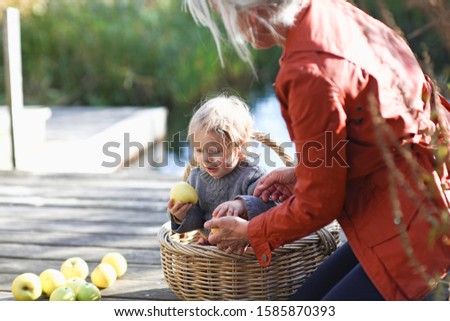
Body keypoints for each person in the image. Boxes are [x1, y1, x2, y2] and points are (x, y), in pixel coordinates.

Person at [183, 0, 450, 300]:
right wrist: (305, 172)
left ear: (252, 8)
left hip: (418, 230)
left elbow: (320, 204)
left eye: (230, 18)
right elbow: (380, 131)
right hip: (413, 201)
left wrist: (252, 232)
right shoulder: (331, 11)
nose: (235, 32)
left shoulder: (308, 72)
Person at [167, 93, 276, 239]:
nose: (205, 159)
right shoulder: (196, 177)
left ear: (240, 148)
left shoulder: (252, 177)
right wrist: (182, 216)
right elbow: (198, 219)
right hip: (211, 249)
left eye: (214, 151)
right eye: (199, 150)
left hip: (245, 249)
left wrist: (242, 205)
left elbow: (272, 208)